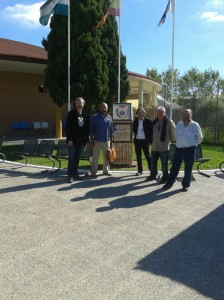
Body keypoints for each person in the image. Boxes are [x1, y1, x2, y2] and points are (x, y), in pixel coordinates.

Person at [163, 108, 203, 191]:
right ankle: (169, 184)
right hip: (179, 149)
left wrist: (194, 144)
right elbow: (176, 136)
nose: (186, 115)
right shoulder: (179, 125)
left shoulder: (195, 125)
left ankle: (185, 185)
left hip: (190, 150)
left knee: (188, 168)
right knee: (174, 167)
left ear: (191, 115)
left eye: (188, 114)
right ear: (182, 115)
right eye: (184, 114)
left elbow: (200, 138)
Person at [146, 106, 175, 184]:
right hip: (154, 147)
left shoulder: (169, 122)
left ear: (165, 113)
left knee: (164, 164)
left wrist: (169, 141)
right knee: (153, 163)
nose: (159, 114)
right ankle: (153, 175)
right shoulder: (155, 122)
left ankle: (165, 177)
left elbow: (173, 134)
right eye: (158, 113)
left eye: (161, 112)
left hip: (164, 147)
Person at [66, 97, 89, 183]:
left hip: (81, 141)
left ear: (83, 104)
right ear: (75, 104)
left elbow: (87, 129)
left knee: (77, 158)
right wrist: (69, 139)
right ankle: (70, 175)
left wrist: (86, 140)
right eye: (77, 103)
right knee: (71, 158)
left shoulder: (85, 114)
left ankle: (75, 174)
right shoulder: (71, 114)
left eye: (80, 103)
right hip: (73, 140)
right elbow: (68, 128)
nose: (79, 104)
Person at [89, 102, 113, 177]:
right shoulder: (94, 117)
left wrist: (111, 141)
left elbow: (111, 130)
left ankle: (105, 171)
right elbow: (91, 130)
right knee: (95, 157)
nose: (104, 109)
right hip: (96, 141)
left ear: (107, 109)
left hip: (107, 141)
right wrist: (91, 140)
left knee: (106, 157)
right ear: (100, 108)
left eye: (105, 108)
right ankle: (93, 172)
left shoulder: (109, 117)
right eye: (102, 107)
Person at [133, 107, 153, 176]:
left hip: (145, 141)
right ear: (137, 114)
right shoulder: (135, 121)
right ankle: (140, 171)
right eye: (139, 112)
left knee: (147, 156)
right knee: (138, 156)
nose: (140, 114)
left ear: (144, 113)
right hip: (137, 141)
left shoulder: (148, 121)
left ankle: (151, 170)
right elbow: (134, 130)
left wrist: (150, 141)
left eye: (142, 112)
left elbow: (151, 132)